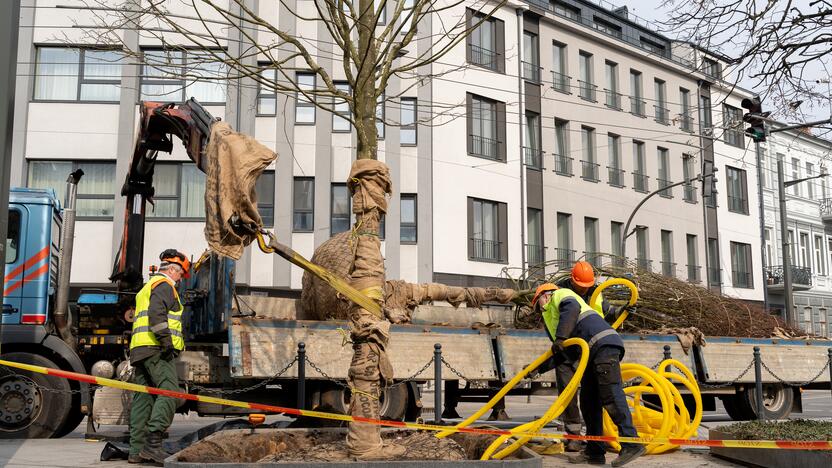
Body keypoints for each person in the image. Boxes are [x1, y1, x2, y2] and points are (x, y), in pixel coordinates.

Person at [530, 283, 644, 467]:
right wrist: (537, 369)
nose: (539, 310)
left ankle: (631, 443)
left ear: (545, 295)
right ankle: (595, 452)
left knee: (611, 396)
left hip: (603, 346)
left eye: (538, 304)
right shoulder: (557, 320)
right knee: (589, 403)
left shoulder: (561, 295)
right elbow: (563, 353)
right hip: (590, 354)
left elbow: (572, 308)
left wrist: (560, 339)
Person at [553, 261, 635, 452]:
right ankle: (576, 436)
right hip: (571, 346)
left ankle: (609, 445)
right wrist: (561, 340)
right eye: (580, 286)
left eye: (587, 287)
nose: (584, 290)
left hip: (593, 348)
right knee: (570, 391)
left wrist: (624, 310)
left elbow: (609, 313)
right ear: (572, 281)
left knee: (599, 396)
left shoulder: (597, 294)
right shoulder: (563, 292)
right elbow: (564, 314)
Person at [128, 249, 191, 465]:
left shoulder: (147, 287)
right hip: (156, 348)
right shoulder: (165, 286)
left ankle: (135, 451)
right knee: (170, 392)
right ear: (173, 270)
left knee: (143, 399)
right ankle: (153, 445)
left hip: (140, 349)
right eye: (181, 275)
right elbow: (157, 313)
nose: (181, 279)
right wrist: (166, 342)